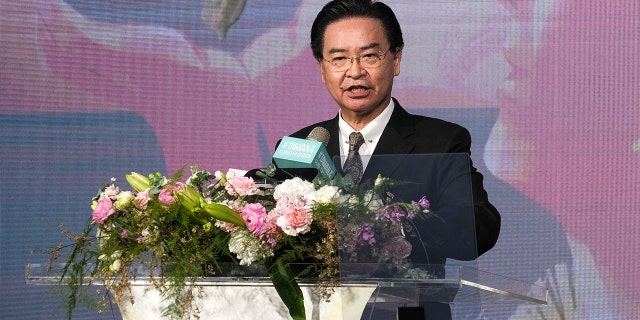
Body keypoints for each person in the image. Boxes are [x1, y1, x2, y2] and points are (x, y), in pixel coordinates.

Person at [285, 0, 501, 318]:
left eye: (369, 56)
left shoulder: (440, 143)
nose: (354, 71)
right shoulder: (299, 146)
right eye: (339, 58)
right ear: (322, 68)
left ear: (396, 59)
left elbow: (478, 228)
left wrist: (391, 227)